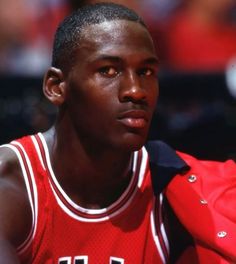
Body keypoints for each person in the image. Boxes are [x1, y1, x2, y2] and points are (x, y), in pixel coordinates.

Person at [0, 2, 236, 263]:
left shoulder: (177, 188)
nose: (136, 90)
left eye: (146, 71)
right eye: (108, 71)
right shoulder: (12, 183)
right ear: (56, 87)